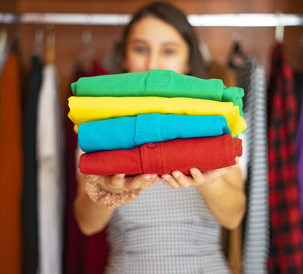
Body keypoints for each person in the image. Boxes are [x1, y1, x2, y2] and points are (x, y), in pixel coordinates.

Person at [74, 2, 246, 273]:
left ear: (189, 59)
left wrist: (205, 181)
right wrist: (111, 192)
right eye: (141, 49)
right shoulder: (101, 125)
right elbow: (86, 223)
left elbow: (234, 216)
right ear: (124, 57)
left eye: (168, 51)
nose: (153, 64)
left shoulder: (216, 119)